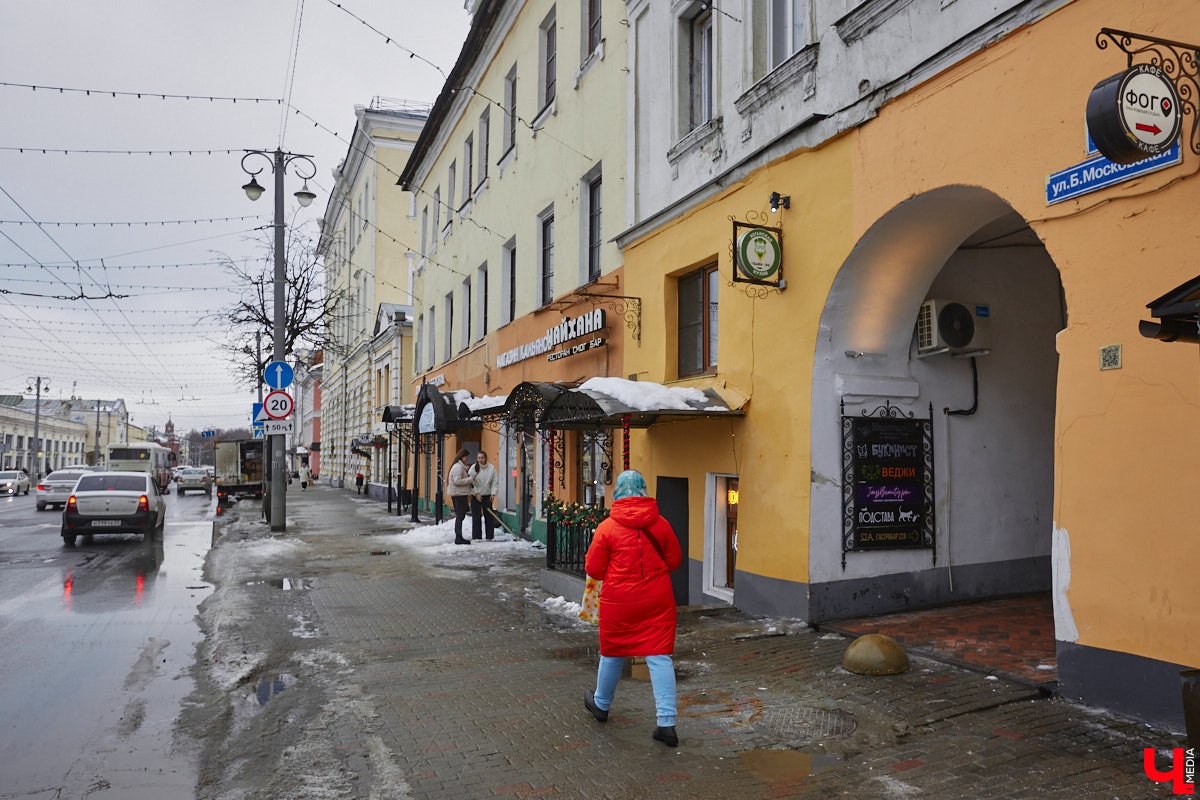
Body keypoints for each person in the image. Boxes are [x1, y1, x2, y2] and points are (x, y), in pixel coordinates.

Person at [582, 469, 683, 747]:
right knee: (659, 657)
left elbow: (593, 569)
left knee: (613, 653)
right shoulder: (660, 524)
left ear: (618, 493)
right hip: (657, 600)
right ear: (643, 490)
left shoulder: (607, 528)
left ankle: (601, 705)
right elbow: (674, 561)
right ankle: (666, 724)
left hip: (619, 603)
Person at [446, 448, 475, 545]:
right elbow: (457, 481)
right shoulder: (458, 467)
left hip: (459, 494)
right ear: (462, 457)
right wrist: (470, 479)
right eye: (466, 457)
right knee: (460, 516)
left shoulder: (459, 466)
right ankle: (458, 537)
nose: (467, 459)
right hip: (459, 494)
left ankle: (459, 537)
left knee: (460, 516)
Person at [470, 450, 499, 540]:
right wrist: (476, 493)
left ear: (486, 458)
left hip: (487, 495)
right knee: (476, 517)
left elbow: (495, 482)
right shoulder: (474, 468)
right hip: (476, 496)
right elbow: (471, 482)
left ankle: (490, 536)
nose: (480, 459)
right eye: (479, 458)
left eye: (482, 457)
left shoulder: (491, 468)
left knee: (489, 517)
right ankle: (477, 537)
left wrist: (493, 494)